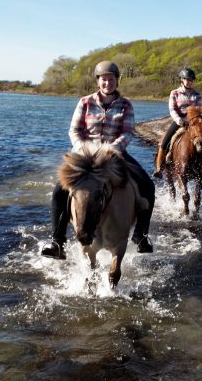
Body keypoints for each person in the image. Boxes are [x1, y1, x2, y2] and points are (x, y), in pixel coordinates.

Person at [41, 60, 156, 259]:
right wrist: (82, 148)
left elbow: (127, 132)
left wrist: (112, 149)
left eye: (111, 79)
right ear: (98, 81)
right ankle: (57, 242)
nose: (107, 83)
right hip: (84, 155)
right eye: (104, 79)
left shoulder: (125, 105)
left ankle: (141, 236)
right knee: (59, 191)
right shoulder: (85, 102)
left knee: (146, 185)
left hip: (113, 154)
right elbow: (74, 130)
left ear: (117, 81)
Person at [152, 67, 202, 178]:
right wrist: (178, 120)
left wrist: (196, 120)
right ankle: (159, 168)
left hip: (194, 122)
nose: (189, 81)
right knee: (164, 142)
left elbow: (200, 109)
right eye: (187, 79)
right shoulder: (175, 93)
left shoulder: (196, 94)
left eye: (191, 79)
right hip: (179, 121)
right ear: (182, 80)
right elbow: (172, 109)